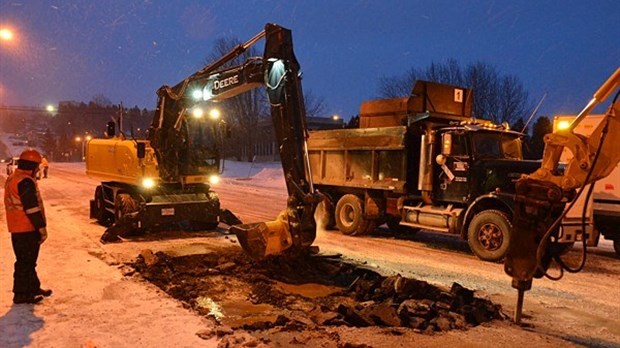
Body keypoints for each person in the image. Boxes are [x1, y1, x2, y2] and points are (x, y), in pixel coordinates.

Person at [4, 149, 52, 304]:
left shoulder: (15, 178)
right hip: (26, 228)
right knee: (25, 262)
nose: (38, 169)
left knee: (27, 260)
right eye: (37, 166)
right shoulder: (25, 181)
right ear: (32, 166)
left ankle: (32, 287)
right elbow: (31, 208)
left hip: (18, 227)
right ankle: (22, 294)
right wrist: (41, 228)